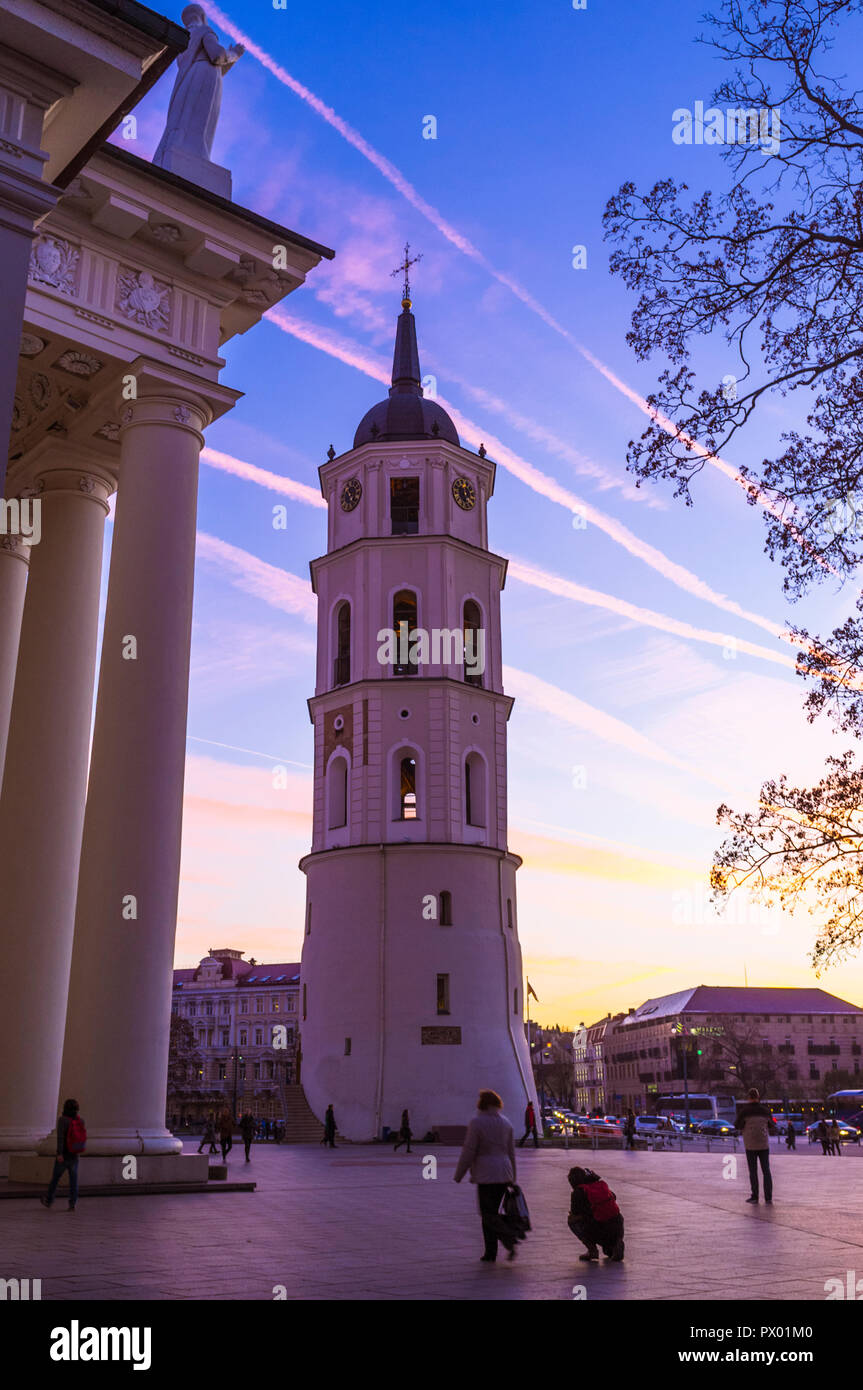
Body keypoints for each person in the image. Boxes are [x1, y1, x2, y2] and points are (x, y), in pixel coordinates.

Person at [454, 1089, 518, 1263]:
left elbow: (469, 1150)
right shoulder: (506, 1123)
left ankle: (498, 1245)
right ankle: (496, 1247)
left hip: (485, 1173)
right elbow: (511, 1152)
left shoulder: (477, 1123)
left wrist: (459, 1173)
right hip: (504, 1172)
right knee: (492, 1212)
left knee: (487, 1214)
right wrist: (513, 1175)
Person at [567, 1166, 625, 1261]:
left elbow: (575, 1214)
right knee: (608, 1252)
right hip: (617, 1224)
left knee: (572, 1220)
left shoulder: (578, 1192)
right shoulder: (600, 1185)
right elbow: (613, 1197)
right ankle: (616, 1242)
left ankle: (592, 1250)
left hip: (599, 1228)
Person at [40, 1098, 86, 1212]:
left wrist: (59, 1153)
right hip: (74, 1155)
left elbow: (60, 1138)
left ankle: (49, 1200)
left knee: (55, 1179)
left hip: (64, 1155)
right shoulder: (81, 1121)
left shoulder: (62, 1120)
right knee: (73, 1180)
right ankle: (72, 1203)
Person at [735, 1088, 774, 1203]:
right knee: (766, 1170)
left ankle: (755, 1196)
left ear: (749, 1097)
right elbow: (772, 1125)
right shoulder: (765, 1111)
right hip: (763, 1144)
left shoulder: (744, 1111)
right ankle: (768, 1197)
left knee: (753, 1171)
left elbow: (737, 1125)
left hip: (750, 1144)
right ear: (758, 1097)